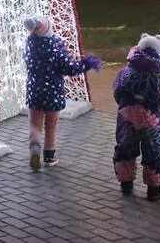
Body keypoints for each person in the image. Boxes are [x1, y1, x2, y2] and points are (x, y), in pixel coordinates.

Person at [22, 15, 102, 170]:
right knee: (51, 125)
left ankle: (35, 150)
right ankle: (49, 157)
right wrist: (86, 64)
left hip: (34, 90)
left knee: (34, 124)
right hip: (52, 92)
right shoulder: (55, 49)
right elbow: (71, 68)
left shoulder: (29, 45)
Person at [112, 32, 160, 200]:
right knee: (154, 150)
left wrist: (126, 106)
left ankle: (126, 183)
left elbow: (117, 91)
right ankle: (154, 189)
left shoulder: (127, 71)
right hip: (152, 119)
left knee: (125, 148)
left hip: (127, 117)